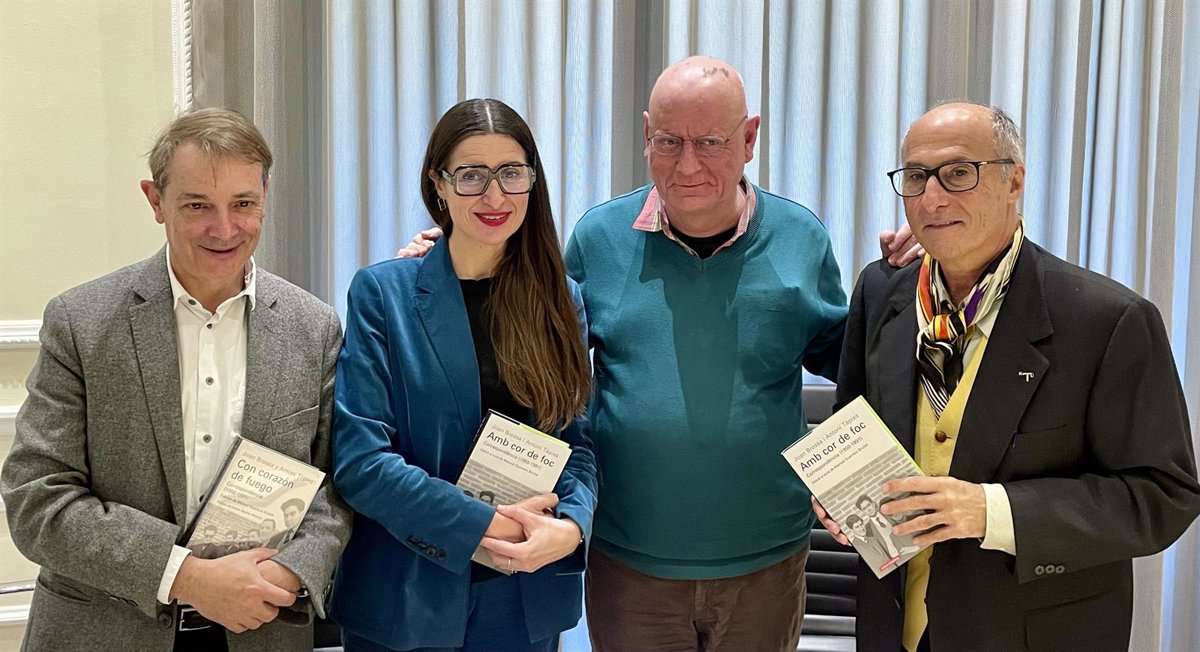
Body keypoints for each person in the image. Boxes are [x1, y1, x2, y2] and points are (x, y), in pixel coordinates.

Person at [397, 55, 922, 652]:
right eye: (669, 141)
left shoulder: (801, 237)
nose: (687, 163)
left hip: (765, 560)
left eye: (710, 142)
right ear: (647, 135)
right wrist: (460, 265)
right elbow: (528, 352)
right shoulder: (598, 238)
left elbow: (852, 362)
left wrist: (921, 274)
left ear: (749, 139)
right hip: (629, 560)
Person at [821, 102, 1200, 651]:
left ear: (1014, 181)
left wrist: (992, 511)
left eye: (959, 173)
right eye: (917, 177)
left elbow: (1162, 496)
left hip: (1032, 634)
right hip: (893, 628)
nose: (932, 198)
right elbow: (852, 424)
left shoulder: (1107, 320)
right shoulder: (881, 292)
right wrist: (837, 490)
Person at [0, 108, 353, 652]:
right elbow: (38, 498)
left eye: (243, 203)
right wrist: (185, 576)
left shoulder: (314, 328)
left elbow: (332, 487)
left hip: (260, 630)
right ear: (155, 201)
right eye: (197, 205)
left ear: (265, 195)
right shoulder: (81, 323)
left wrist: (290, 571)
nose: (224, 228)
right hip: (105, 633)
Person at [330, 98, 597, 652]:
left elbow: (577, 445)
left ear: (532, 181)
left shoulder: (560, 300)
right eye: (472, 176)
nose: (495, 196)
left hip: (524, 599)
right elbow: (362, 463)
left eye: (511, 173)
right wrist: (487, 524)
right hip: (408, 597)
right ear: (439, 185)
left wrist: (570, 528)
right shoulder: (384, 294)